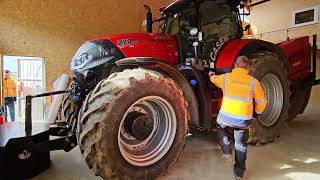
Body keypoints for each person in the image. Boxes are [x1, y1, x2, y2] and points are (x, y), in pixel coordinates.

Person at [209, 56, 267, 180]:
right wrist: (257, 113)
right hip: (243, 120)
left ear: (235, 66)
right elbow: (262, 101)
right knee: (241, 145)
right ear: (248, 68)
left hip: (226, 117)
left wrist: (210, 74)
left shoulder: (225, 77)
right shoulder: (253, 82)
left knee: (219, 126)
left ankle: (226, 150)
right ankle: (239, 173)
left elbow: (213, 79)